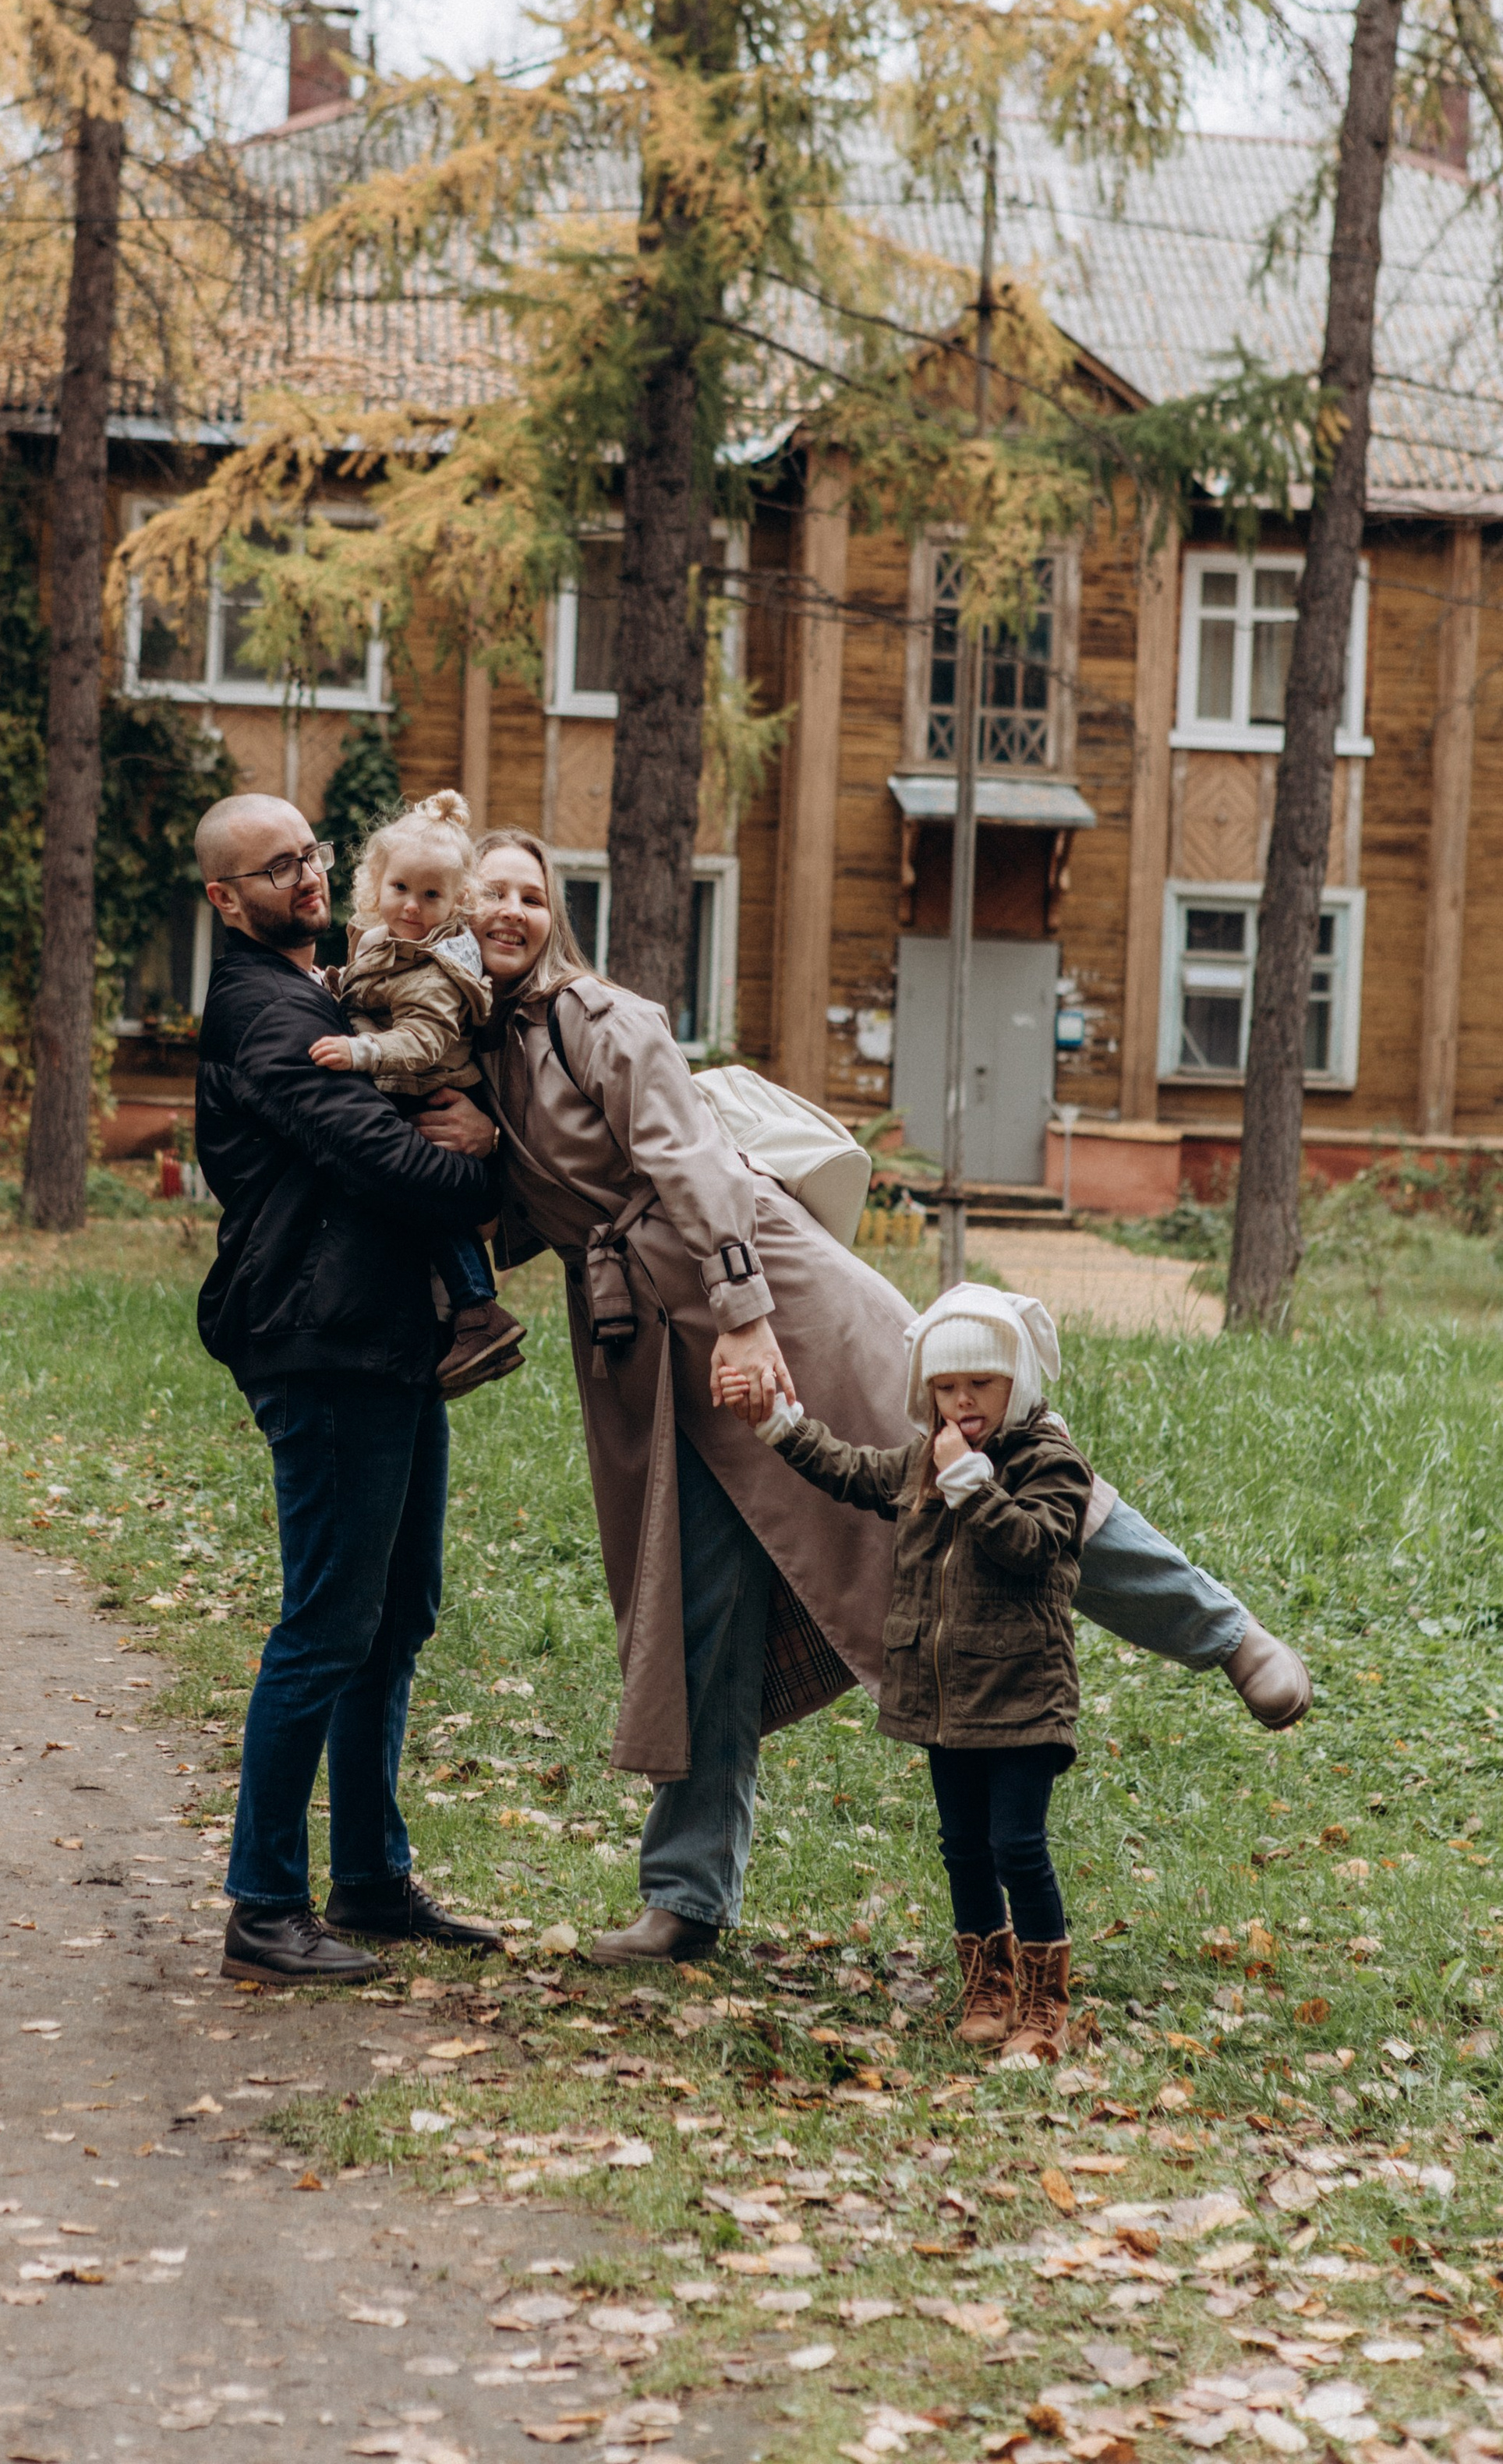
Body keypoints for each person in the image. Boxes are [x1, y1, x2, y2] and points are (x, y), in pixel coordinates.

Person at [412, 829, 1309, 1967]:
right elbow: (546, 1212)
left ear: (555, 917)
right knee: (702, 1608)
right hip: (650, 1355)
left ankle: (1226, 1635)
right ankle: (687, 1897)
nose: (509, 911)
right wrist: (491, 1158)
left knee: (983, 1465)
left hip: (767, 1288)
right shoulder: (472, 1052)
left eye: (531, 894)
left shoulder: (600, 1016)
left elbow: (688, 1159)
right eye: (486, 894)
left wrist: (742, 1311)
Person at [193, 790, 507, 1983]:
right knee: (327, 1624)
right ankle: (264, 1906)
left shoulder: (336, 985)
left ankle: (370, 1879)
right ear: (228, 898)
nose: (308, 878)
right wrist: (482, 1160)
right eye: (278, 868)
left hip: (386, 1339)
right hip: (317, 1340)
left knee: (397, 1616)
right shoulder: (265, 1012)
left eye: (313, 855)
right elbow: (375, 1155)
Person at [727, 1282, 1091, 2061]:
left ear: (1015, 1382)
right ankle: (987, 1986)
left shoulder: (1050, 1463)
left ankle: (1042, 2006)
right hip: (945, 1699)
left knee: (1015, 1846)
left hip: (1023, 1695)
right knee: (962, 1846)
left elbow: (1031, 1545)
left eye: (980, 1385)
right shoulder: (928, 1457)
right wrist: (778, 1425)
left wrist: (969, 1483)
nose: (961, 1401)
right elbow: (854, 1472)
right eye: (945, 1385)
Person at [307, 787, 526, 1397]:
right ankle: (459, 1317)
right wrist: (328, 983)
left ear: (457, 903)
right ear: (376, 884)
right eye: (400, 888)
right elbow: (365, 985)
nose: (411, 905)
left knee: (429, 1197)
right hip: (404, 1086)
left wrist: (361, 1051)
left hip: (428, 1089)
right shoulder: (380, 940)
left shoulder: (437, 970)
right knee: (415, 1202)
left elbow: (424, 1043)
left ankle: (478, 1311)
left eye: (431, 896)